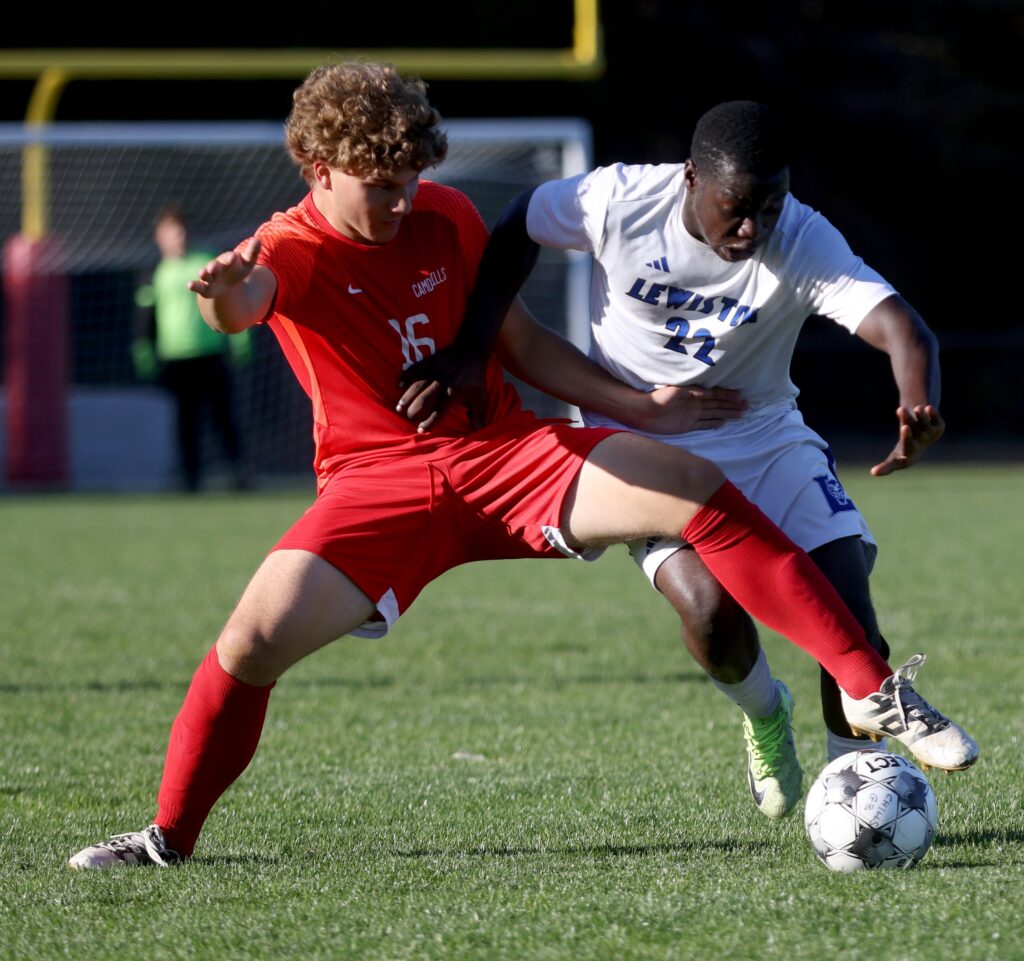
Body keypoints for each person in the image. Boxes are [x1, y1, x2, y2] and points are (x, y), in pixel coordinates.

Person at [68, 67, 975, 869]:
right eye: (379, 187)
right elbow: (245, 304)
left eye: (411, 180)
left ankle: (869, 686)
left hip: (506, 458)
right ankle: (165, 838)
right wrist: (228, 293)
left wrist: (637, 408)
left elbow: (525, 344)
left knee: (693, 488)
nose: (399, 202)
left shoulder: (447, 216)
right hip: (376, 485)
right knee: (249, 645)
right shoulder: (288, 247)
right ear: (318, 172)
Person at [396, 100, 968, 822]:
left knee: (850, 613)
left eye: (770, 204)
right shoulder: (616, 199)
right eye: (736, 207)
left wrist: (918, 404)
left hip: (764, 433)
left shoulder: (801, 235)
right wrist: (474, 350)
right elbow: (516, 225)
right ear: (691, 179)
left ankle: (854, 798)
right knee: (711, 613)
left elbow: (902, 327)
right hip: (645, 445)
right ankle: (765, 713)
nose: (754, 227)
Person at [134, 204, 251, 492]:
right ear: (159, 237)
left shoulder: (206, 261)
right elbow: (145, 318)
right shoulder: (153, 273)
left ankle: (238, 472)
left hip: (210, 353)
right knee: (186, 422)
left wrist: (239, 338)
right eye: (172, 232)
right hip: (176, 358)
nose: (179, 237)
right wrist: (143, 350)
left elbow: (229, 299)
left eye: (182, 231)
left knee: (222, 416)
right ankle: (190, 478)